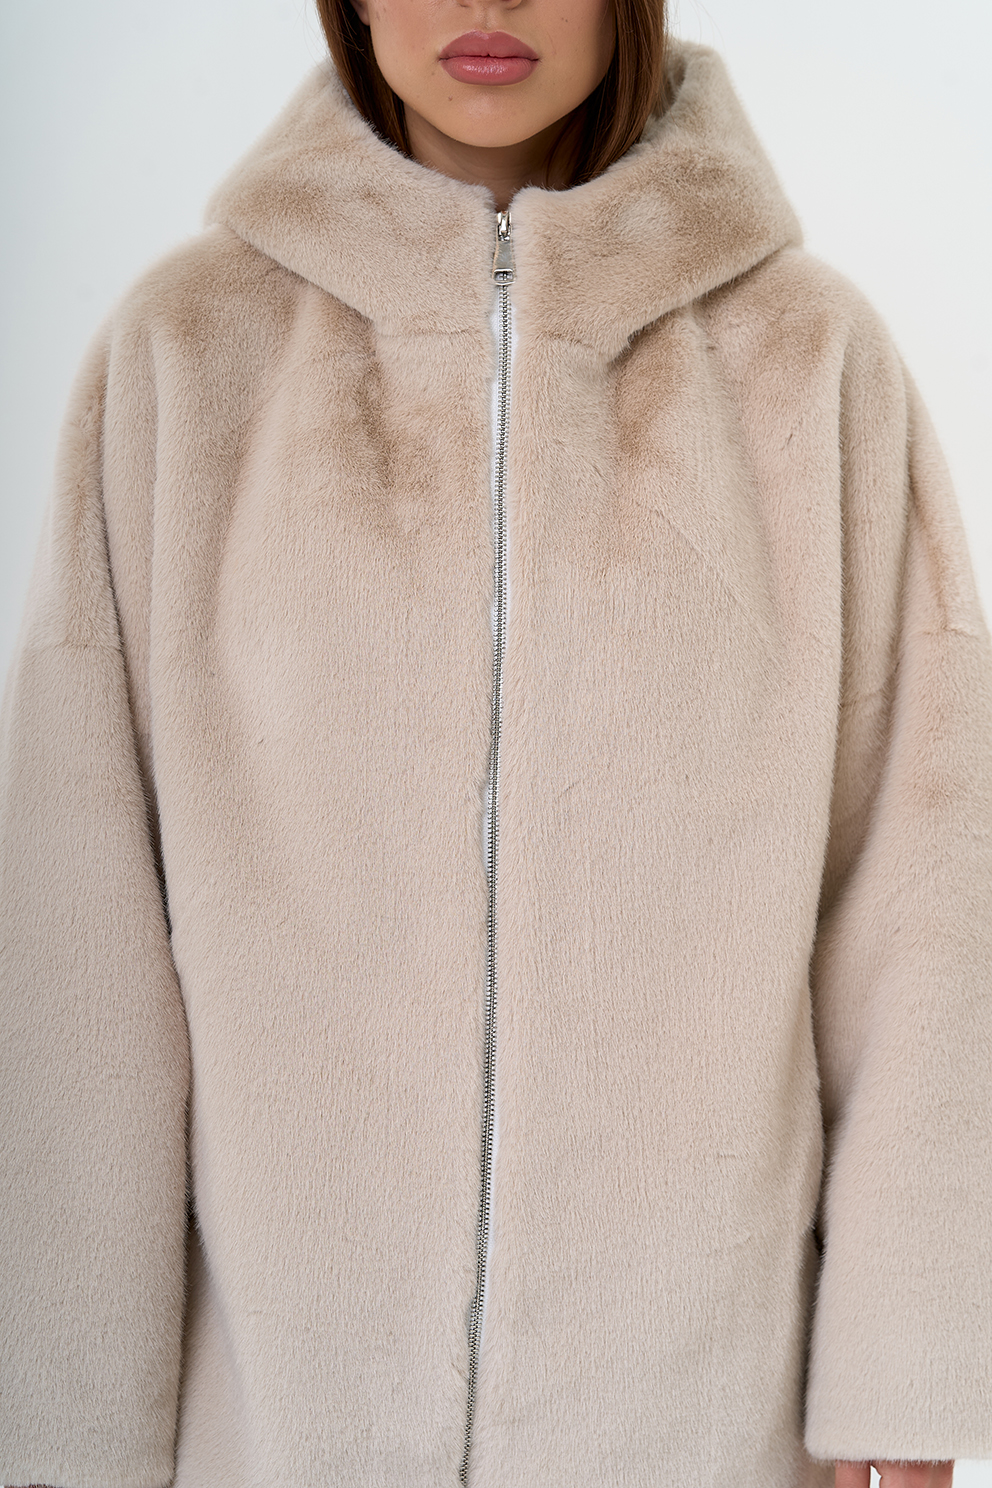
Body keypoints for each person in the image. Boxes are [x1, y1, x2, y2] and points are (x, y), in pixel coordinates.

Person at [1, 0, 989, 1484]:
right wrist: (65, 1419)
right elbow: (77, 928)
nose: (486, 3)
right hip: (285, 1421)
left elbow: (927, 894)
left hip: (703, 1414)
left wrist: (902, 1378)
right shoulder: (185, 353)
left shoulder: (810, 358)